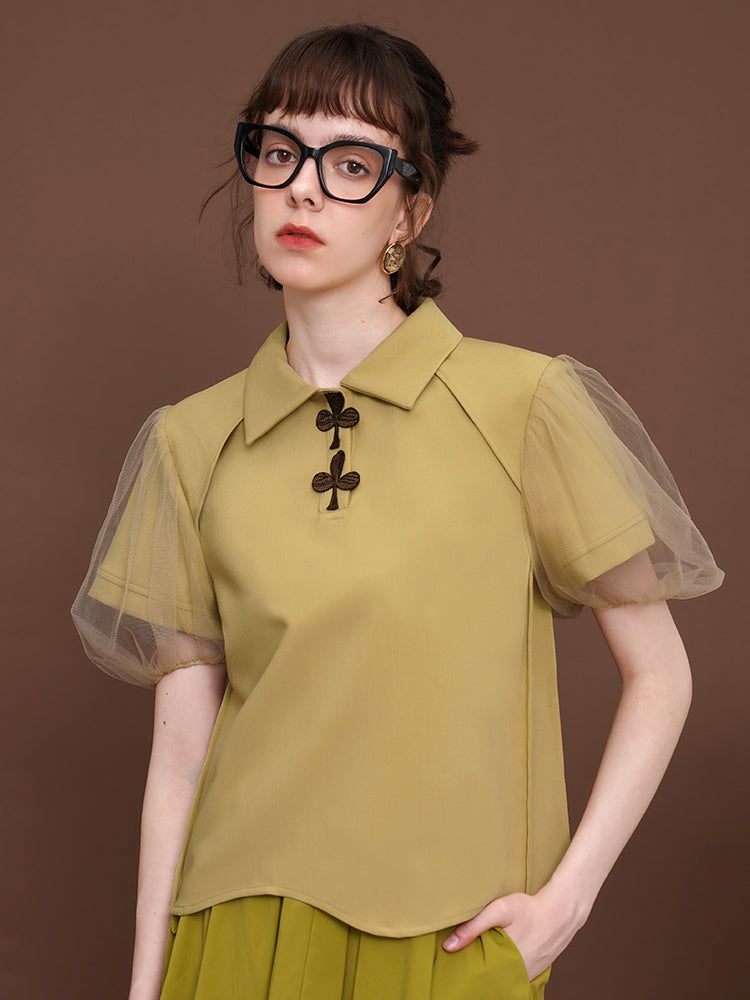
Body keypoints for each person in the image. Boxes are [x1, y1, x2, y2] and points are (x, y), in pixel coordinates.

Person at [71, 23, 724, 1000]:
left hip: (447, 936)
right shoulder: (191, 441)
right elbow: (179, 756)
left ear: (409, 213)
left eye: (351, 164)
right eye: (280, 151)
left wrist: (567, 899)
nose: (302, 188)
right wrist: (144, 988)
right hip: (235, 930)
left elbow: (661, 673)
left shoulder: (524, 404)